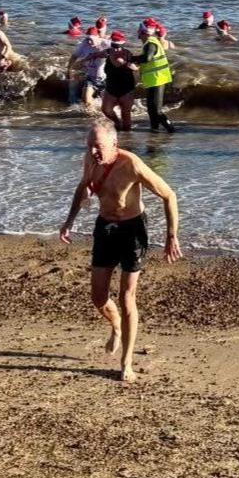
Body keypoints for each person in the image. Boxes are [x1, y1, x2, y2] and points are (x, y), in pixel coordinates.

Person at [57, 119, 181, 382]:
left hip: (132, 230)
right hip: (105, 227)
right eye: (90, 146)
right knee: (98, 296)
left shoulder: (132, 165)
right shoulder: (90, 161)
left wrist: (171, 236)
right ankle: (116, 326)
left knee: (127, 297)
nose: (93, 152)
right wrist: (69, 221)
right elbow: (82, 187)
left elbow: (169, 195)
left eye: (98, 147)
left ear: (115, 144)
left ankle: (126, 362)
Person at [137, 21, 175, 132]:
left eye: (139, 29)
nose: (138, 32)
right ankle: (154, 130)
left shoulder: (151, 43)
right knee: (151, 109)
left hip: (158, 79)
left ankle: (171, 129)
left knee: (157, 111)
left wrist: (132, 58)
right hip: (153, 80)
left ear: (143, 32)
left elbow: (147, 58)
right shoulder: (148, 42)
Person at [99, 31, 138, 130]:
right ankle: (117, 122)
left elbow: (135, 68)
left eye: (118, 46)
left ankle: (127, 137)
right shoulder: (108, 52)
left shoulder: (127, 53)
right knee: (106, 110)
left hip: (126, 88)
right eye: (114, 46)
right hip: (111, 87)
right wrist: (87, 58)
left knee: (126, 114)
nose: (117, 50)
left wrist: (124, 63)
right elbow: (98, 54)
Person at [68, 26, 107, 107]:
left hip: (105, 79)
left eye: (91, 39)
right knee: (87, 101)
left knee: (107, 105)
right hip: (91, 79)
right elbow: (74, 56)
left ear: (97, 37)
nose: (89, 42)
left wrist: (97, 54)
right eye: (87, 39)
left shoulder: (105, 44)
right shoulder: (84, 44)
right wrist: (69, 69)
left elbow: (118, 49)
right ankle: (92, 118)